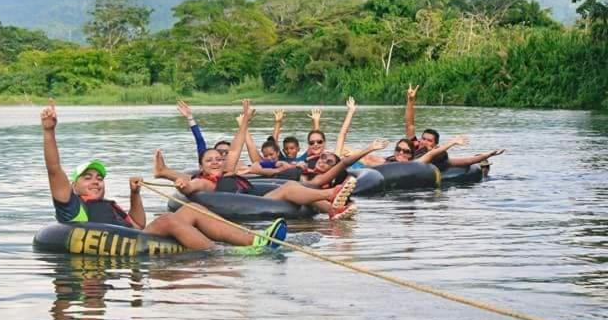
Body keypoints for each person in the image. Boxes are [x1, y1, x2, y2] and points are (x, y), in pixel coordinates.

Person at [41, 99, 287, 254]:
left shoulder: (109, 207)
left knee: (190, 209)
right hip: (127, 245)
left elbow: (137, 225)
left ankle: (253, 240)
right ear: (74, 186)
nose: (96, 180)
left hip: (137, 237)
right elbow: (54, 169)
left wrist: (134, 194)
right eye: (88, 178)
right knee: (167, 219)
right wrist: (49, 132)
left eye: (99, 177)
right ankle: (220, 256)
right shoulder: (73, 209)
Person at [155, 100, 380, 220]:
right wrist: (184, 186)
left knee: (294, 189)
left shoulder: (227, 170)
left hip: (253, 197)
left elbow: (235, 148)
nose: (216, 161)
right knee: (291, 188)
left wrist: (244, 121)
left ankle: (333, 209)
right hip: (238, 205)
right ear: (202, 165)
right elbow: (193, 185)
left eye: (218, 158)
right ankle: (330, 196)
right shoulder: (208, 181)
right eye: (210, 160)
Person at [404, 84, 505, 170]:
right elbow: (410, 125)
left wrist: (489, 154)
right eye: (423, 138)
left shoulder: (438, 158)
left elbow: (467, 160)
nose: (424, 142)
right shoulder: (414, 146)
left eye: (429, 141)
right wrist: (410, 100)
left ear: (435, 146)